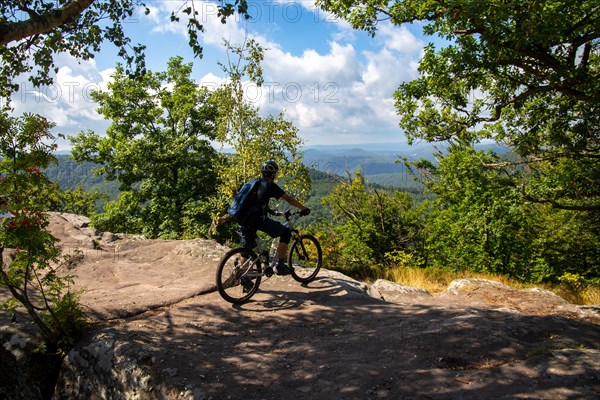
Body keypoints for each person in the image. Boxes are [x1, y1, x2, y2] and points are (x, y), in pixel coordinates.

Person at [238, 160, 310, 276]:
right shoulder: (270, 185)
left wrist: (270, 211)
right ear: (273, 174)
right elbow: (289, 199)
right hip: (256, 220)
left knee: (247, 249)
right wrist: (303, 208)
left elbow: (255, 202)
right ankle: (281, 266)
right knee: (286, 233)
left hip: (243, 219)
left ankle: (244, 277)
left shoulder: (253, 182)